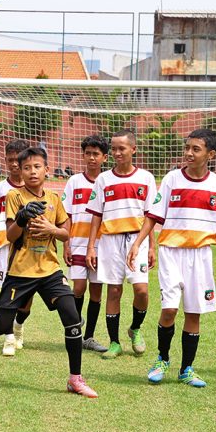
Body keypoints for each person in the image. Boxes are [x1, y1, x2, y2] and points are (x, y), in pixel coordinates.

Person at [0, 146, 98, 398]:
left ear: (46, 169)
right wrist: (21, 218)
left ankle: (75, 379)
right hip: (20, 272)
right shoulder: (14, 196)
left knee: (72, 316)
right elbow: (10, 236)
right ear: (20, 171)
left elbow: (66, 232)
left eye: (36, 167)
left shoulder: (54, 199)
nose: (32, 172)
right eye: (26, 168)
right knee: (2, 326)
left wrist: (52, 230)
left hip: (50, 271)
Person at [128, 128, 216, 388]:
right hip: (171, 252)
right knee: (169, 309)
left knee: (194, 313)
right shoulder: (171, 179)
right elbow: (154, 216)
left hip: (201, 256)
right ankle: (162, 359)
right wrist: (137, 243)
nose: (188, 153)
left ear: (211, 154)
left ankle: (186, 369)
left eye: (196, 149)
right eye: (187, 147)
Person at [86, 130, 157, 359]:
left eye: (121, 148)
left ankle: (135, 328)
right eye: (114, 148)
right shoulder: (103, 179)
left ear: (133, 149)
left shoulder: (146, 178)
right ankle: (115, 342)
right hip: (110, 241)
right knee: (114, 290)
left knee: (142, 290)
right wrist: (91, 247)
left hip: (138, 240)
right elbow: (96, 215)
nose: (117, 153)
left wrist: (151, 246)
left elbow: (151, 215)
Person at [0, 139, 32, 356]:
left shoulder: (33, 188)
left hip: (29, 249)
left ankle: (19, 326)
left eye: (18, 160)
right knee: (7, 294)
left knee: (26, 299)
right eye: (10, 160)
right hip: (4, 247)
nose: (14, 164)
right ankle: (9, 337)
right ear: (5, 160)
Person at [64, 135, 108, 353]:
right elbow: (67, 214)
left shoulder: (107, 181)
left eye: (96, 154)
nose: (91, 158)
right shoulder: (74, 182)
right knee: (79, 287)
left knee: (97, 292)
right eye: (88, 153)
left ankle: (89, 337)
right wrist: (66, 244)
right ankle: (75, 329)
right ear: (83, 155)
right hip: (78, 243)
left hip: (102, 245)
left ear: (104, 157)